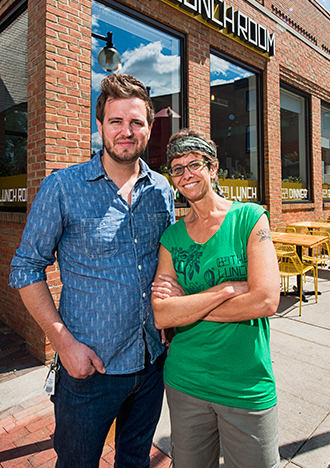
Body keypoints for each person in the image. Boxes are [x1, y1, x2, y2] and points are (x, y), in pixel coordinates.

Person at [9, 73, 175, 468]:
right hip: (89, 372)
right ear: (99, 126)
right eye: (116, 121)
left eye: (136, 122)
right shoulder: (63, 187)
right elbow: (25, 268)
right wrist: (64, 344)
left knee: (134, 461)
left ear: (149, 129)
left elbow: (166, 262)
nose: (125, 131)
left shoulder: (163, 190)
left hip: (151, 363)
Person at [151, 128, 281, 468]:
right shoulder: (172, 237)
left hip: (246, 384)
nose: (186, 174)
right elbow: (162, 315)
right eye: (177, 168)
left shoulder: (249, 219)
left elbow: (266, 300)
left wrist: (187, 307)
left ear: (213, 168)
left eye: (194, 164)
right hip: (185, 382)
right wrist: (225, 291)